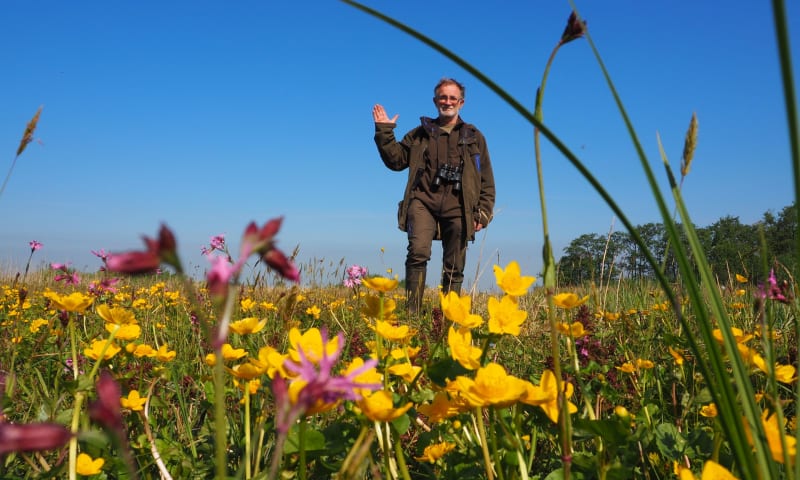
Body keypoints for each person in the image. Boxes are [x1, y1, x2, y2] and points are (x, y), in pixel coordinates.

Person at [372, 77, 496, 314]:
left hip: (459, 205)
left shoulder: (474, 136)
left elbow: (487, 178)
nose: (447, 102)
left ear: (461, 102)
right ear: (435, 100)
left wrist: (483, 212)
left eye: (452, 98)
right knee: (417, 253)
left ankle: (449, 315)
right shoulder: (420, 133)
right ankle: (413, 312)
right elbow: (396, 161)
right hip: (423, 201)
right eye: (442, 97)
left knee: (454, 264)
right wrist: (385, 131)